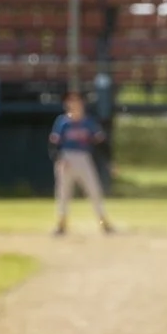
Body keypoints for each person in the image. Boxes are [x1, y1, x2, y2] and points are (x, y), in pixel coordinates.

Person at [48, 91, 114, 235]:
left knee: (94, 190)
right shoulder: (62, 122)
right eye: (70, 101)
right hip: (66, 159)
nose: (73, 104)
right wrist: (58, 159)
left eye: (76, 101)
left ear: (82, 104)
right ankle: (61, 224)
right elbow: (53, 144)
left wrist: (109, 162)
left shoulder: (89, 122)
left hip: (84, 158)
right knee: (63, 193)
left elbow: (101, 143)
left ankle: (103, 223)